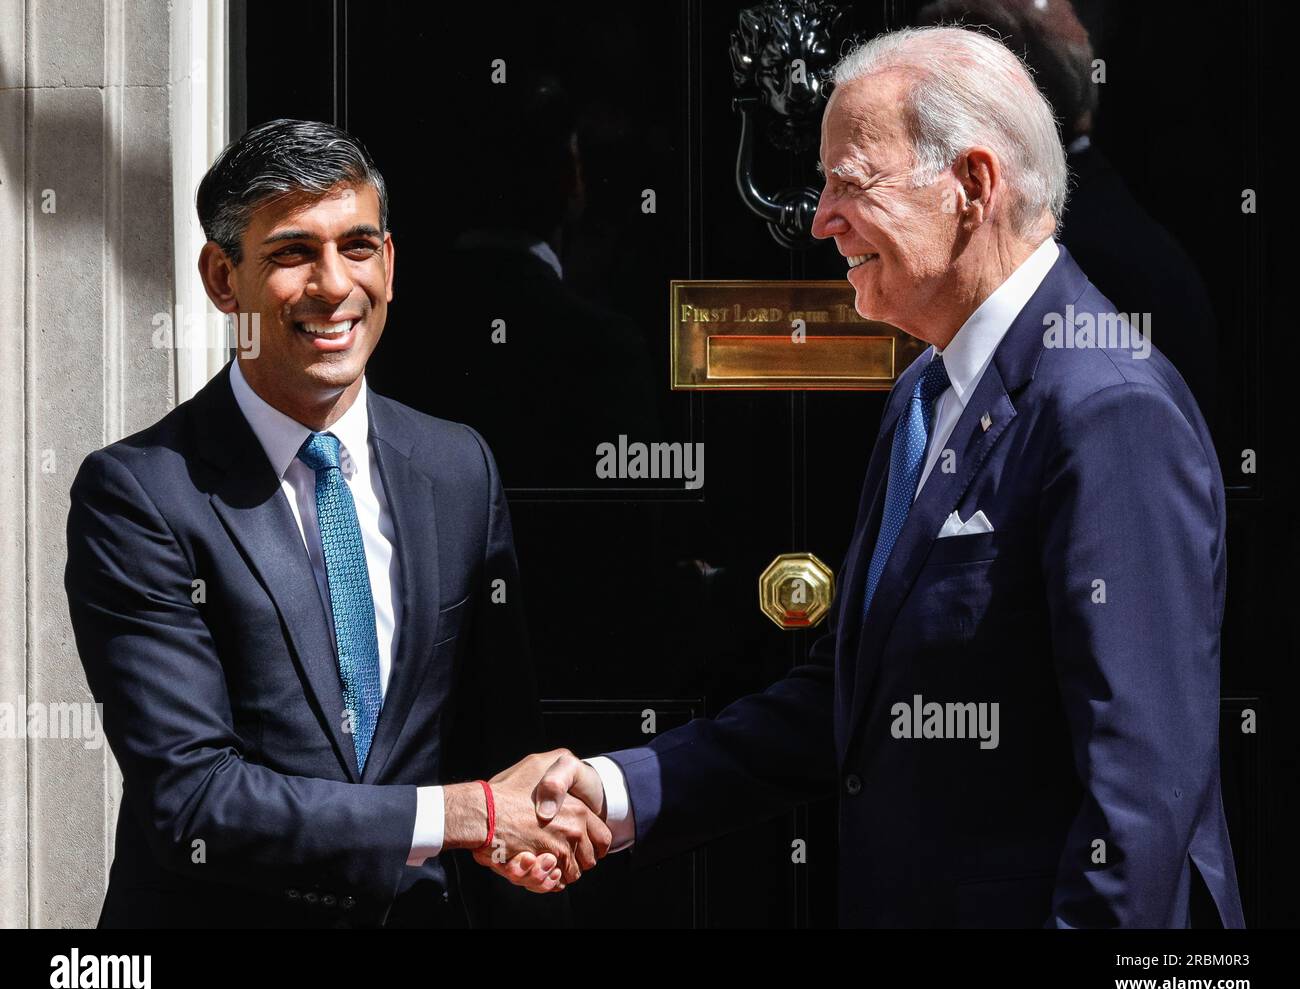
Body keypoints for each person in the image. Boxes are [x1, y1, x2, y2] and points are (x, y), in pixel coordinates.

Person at [486, 26, 1246, 929]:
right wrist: (613, 790)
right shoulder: (929, 388)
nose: (818, 219)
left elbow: (1140, 801)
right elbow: (853, 702)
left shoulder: (1106, 409)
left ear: (972, 185)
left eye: (851, 183)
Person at [63, 118, 609, 929]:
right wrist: (470, 816)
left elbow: (496, 744)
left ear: (389, 263)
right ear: (222, 278)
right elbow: (193, 799)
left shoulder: (459, 468)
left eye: (358, 247)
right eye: (292, 253)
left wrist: (527, 840)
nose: (333, 284)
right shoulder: (139, 494)